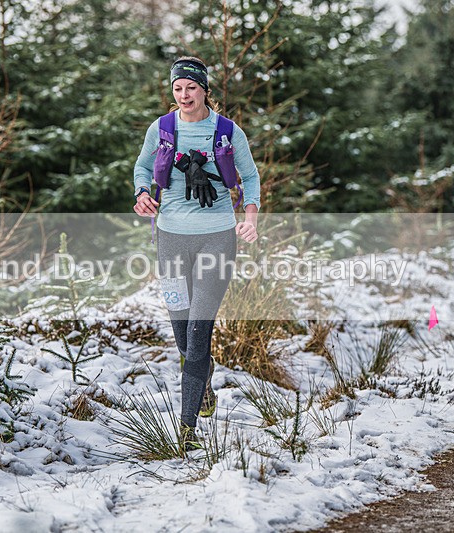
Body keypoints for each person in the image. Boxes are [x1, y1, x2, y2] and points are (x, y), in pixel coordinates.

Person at [133, 56, 261, 449]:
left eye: (191, 88)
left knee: (198, 328)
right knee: (181, 331)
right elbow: (141, 168)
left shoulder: (227, 131)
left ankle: (186, 430)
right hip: (169, 240)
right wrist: (141, 194)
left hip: (217, 238)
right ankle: (202, 384)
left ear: (205, 90)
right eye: (177, 89)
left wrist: (251, 217)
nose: (184, 95)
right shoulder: (162, 128)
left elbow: (250, 176)